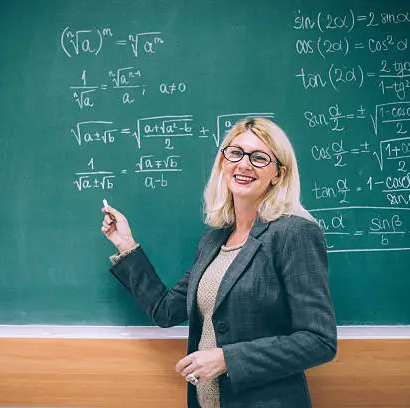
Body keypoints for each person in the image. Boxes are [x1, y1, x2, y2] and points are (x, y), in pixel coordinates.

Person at [101, 117, 337, 407]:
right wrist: (126, 244)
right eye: (235, 153)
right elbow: (166, 311)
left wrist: (227, 359)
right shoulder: (213, 241)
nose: (244, 164)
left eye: (259, 157)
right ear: (223, 162)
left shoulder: (294, 233)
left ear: (278, 173)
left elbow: (319, 341)